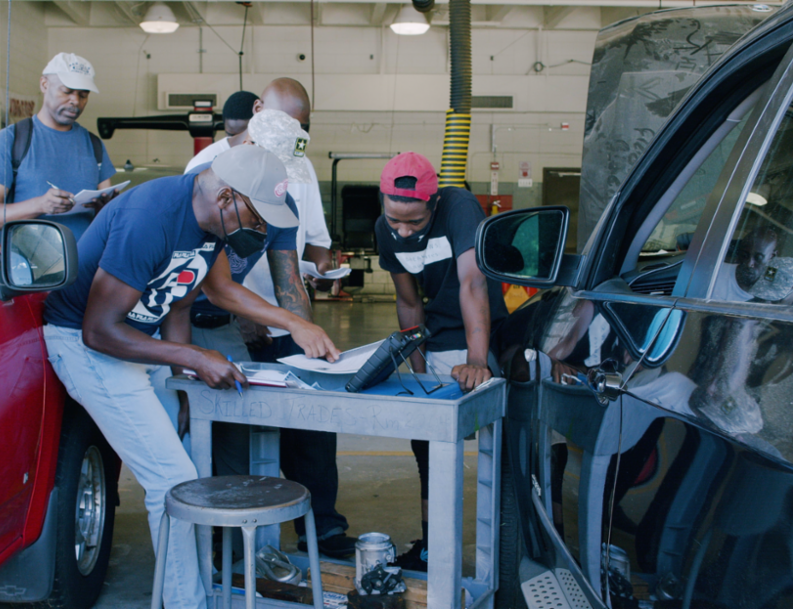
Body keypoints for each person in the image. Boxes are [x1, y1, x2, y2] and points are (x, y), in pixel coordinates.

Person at [41, 144, 339, 609]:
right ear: (226, 198)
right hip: (86, 347)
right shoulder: (151, 215)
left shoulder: (211, 224)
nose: (260, 230)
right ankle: (187, 602)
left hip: (139, 341)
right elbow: (98, 331)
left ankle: (194, 583)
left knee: (190, 471)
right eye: (257, 218)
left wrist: (183, 376)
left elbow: (185, 297)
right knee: (172, 480)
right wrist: (196, 358)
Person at [185, 79, 354, 557]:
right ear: (259, 113)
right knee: (234, 438)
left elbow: (294, 261)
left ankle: (324, 535)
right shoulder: (206, 169)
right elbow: (199, 274)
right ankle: (233, 545)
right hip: (225, 321)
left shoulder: (295, 168)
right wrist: (237, 319)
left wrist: (307, 335)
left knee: (310, 430)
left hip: (278, 321)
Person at [375, 152, 509, 571]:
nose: (403, 229)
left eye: (414, 222)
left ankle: (506, 542)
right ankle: (432, 546)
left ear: (432, 205)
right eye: (395, 219)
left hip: (481, 328)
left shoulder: (458, 206)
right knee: (427, 440)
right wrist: (419, 373)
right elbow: (408, 300)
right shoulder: (387, 229)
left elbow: (473, 283)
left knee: (498, 440)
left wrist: (478, 359)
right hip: (437, 332)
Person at [0, 52, 117, 239]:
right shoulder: (12, 140)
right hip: (27, 266)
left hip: (85, 265)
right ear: (44, 84)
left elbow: (106, 214)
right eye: (67, 91)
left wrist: (107, 209)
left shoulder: (94, 145)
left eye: (83, 95)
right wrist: (40, 205)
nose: (75, 101)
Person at [713, 226, 779, 302]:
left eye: (758, 258)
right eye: (744, 255)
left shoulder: (773, 286)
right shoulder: (717, 273)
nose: (749, 263)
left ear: (772, 256)